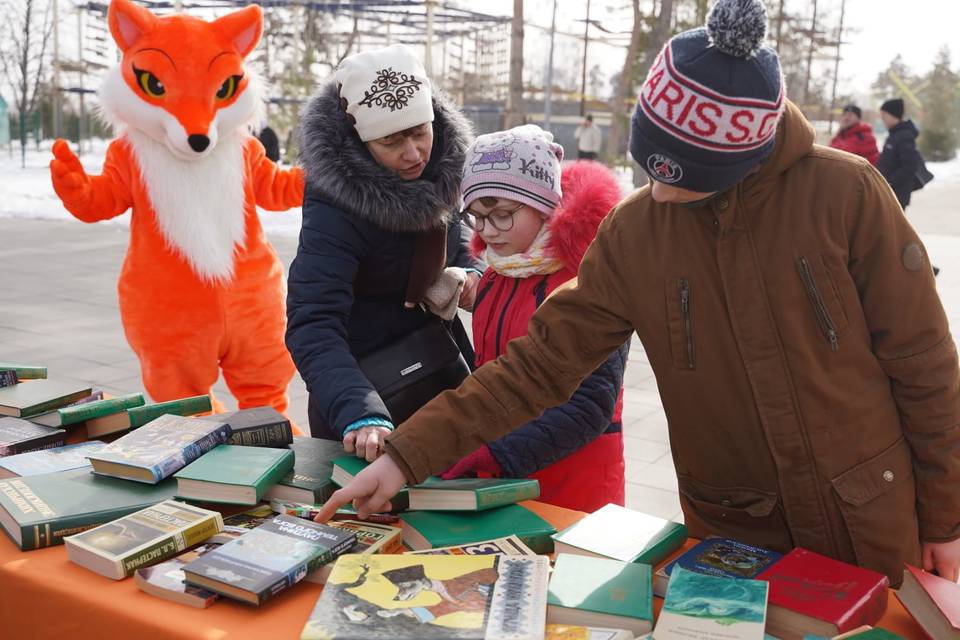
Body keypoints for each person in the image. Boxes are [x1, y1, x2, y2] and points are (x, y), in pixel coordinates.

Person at [317, 0, 960, 586]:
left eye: (687, 176)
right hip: (735, 533)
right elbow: (538, 367)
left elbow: (924, 364)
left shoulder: (845, 195)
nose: (662, 191)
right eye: (650, 164)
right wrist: (406, 456)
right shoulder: (635, 233)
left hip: (869, 519)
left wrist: (948, 519)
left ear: (744, 156)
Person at [286, 44, 484, 459]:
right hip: (362, 398)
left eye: (419, 132)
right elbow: (313, 322)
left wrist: (470, 275)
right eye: (391, 141)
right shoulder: (334, 204)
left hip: (439, 371)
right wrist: (359, 410)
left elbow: (465, 244)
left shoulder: (446, 167)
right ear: (360, 141)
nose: (413, 153)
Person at [440, 125, 628, 512]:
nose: (488, 231)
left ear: (542, 205)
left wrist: (496, 455)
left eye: (503, 215)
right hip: (507, 474)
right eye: (476, 217)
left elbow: (589, 406)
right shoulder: (499, 270)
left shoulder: (586, 277)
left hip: (577, 484)